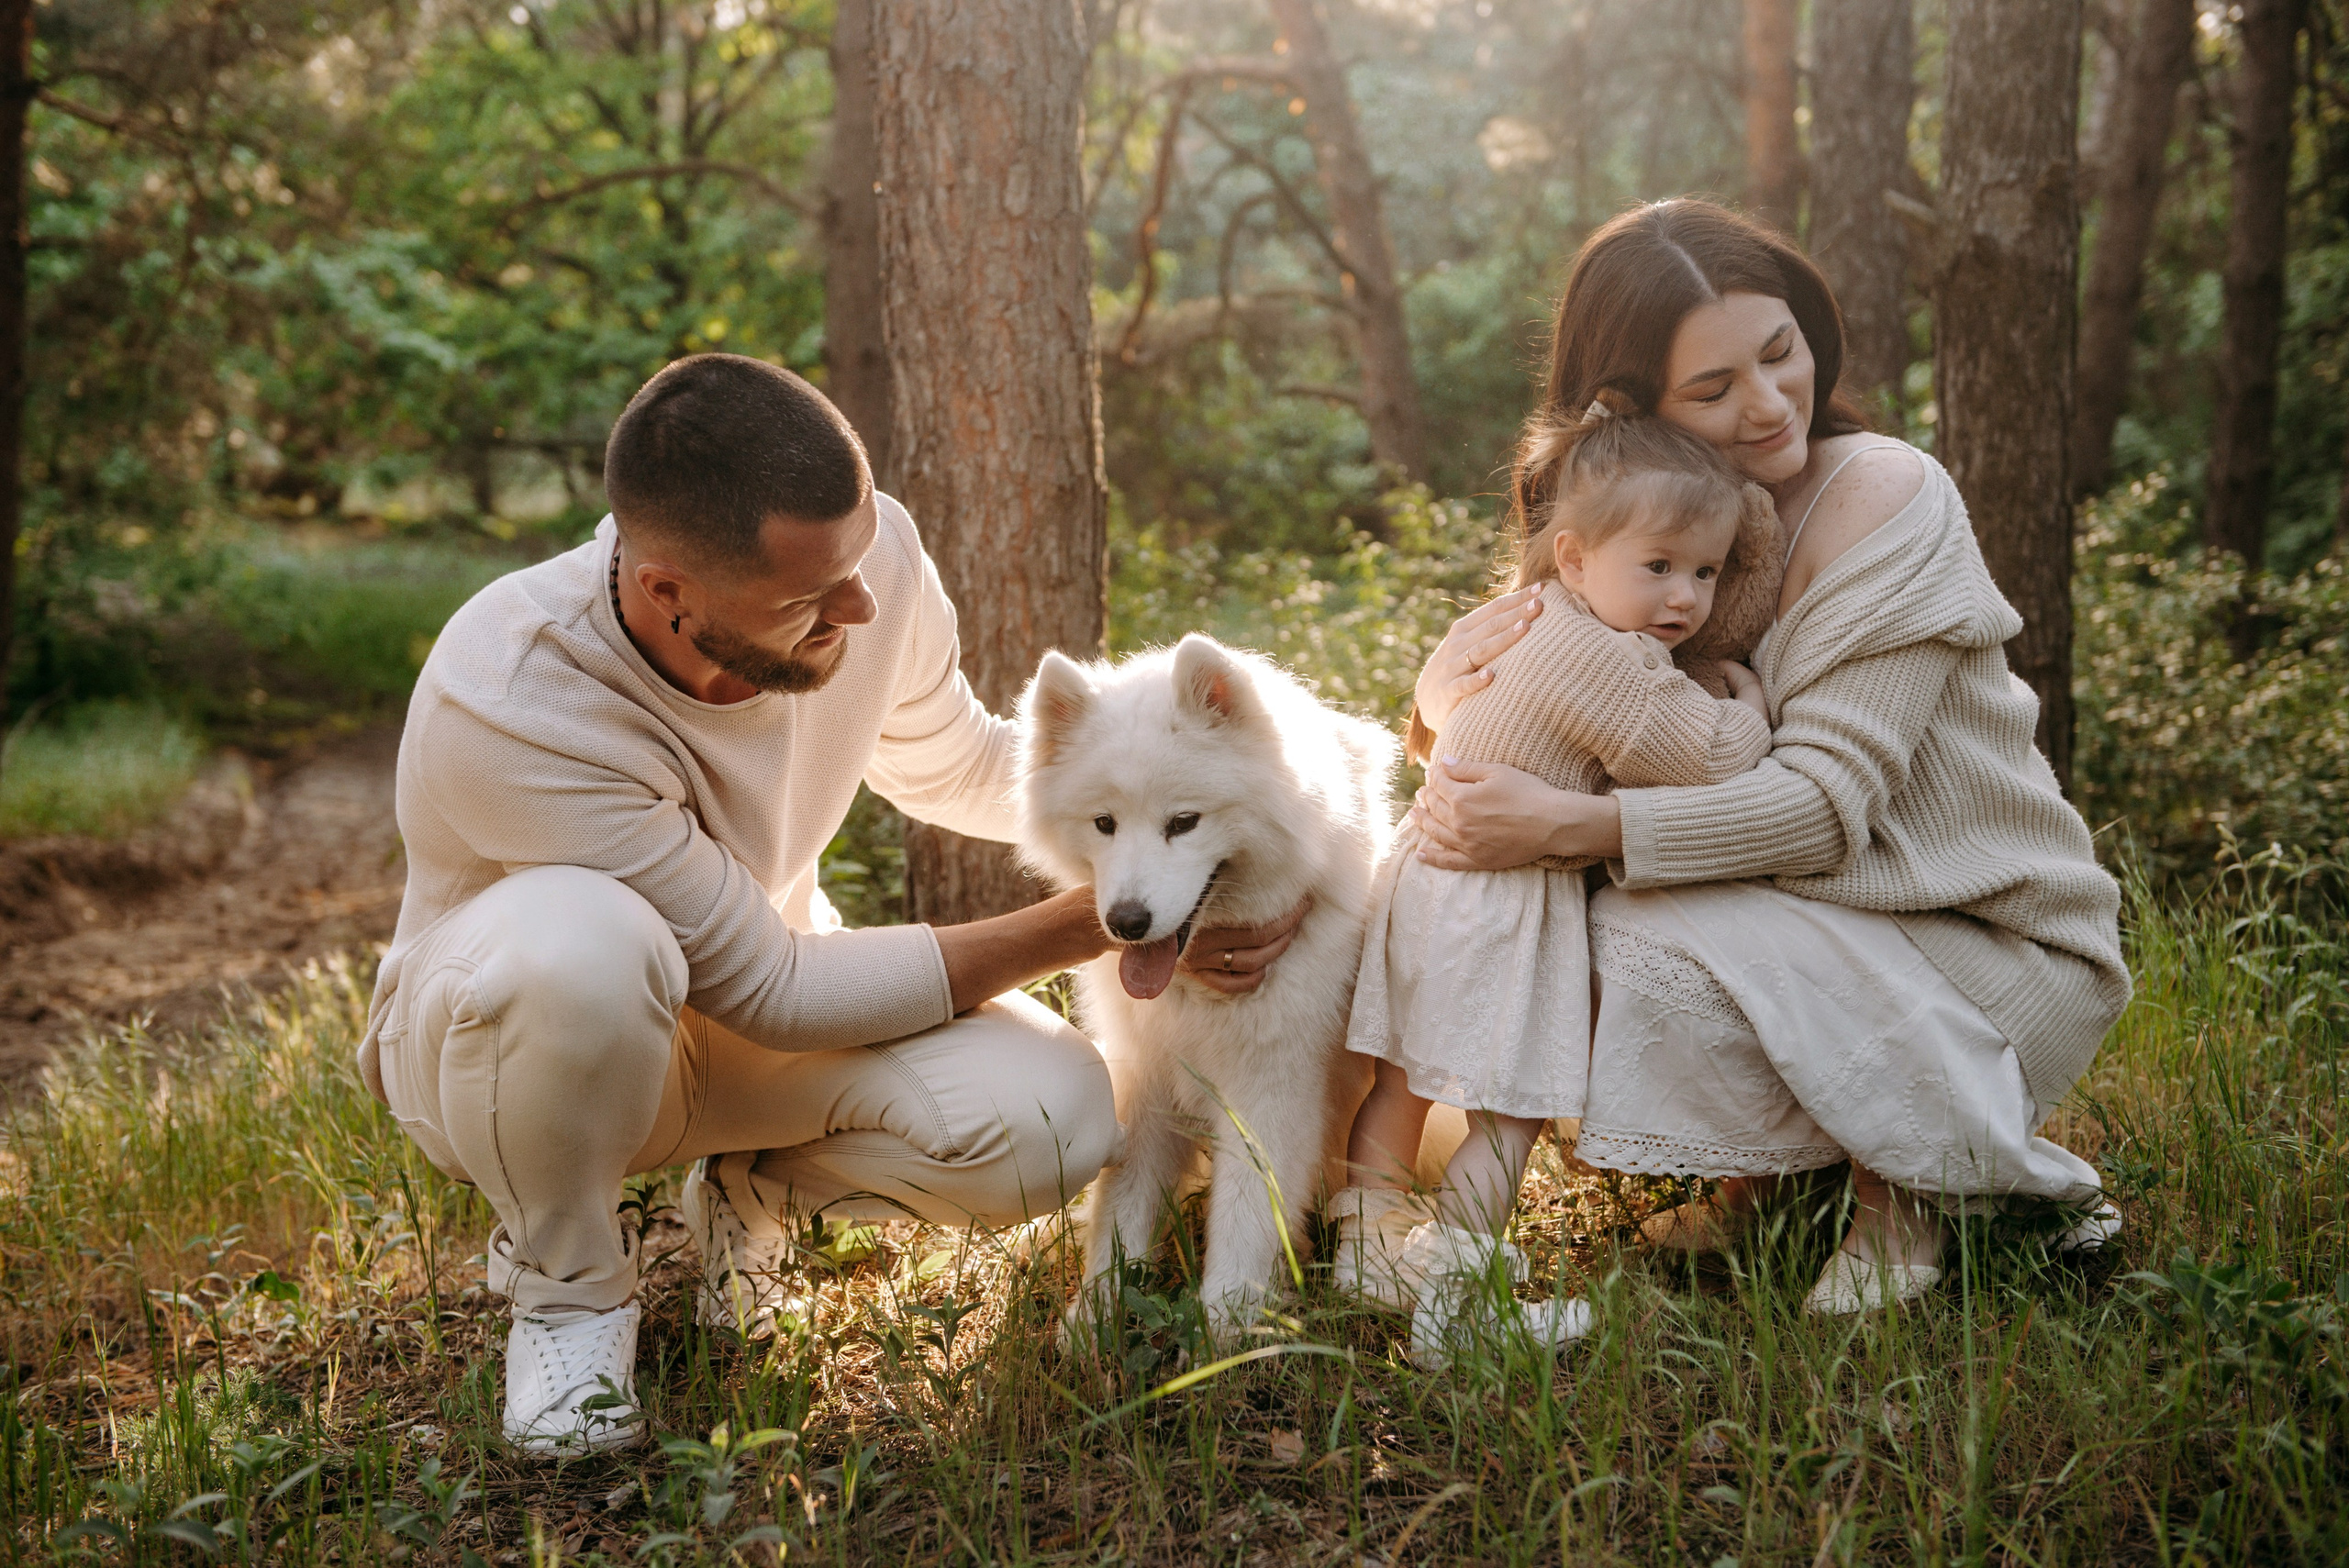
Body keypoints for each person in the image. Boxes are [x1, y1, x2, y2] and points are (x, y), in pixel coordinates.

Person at [360, 354, 1302, 1452]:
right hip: (509, 1046)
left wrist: (1180, 817)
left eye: (861, 561)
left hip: (745, 1024)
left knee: (1056, 1118)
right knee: (585, 944)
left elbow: (960, 763)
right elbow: (775, 985)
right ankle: (568, 1288)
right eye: (812, 596)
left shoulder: (869, 558)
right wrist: (1114, 918)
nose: (861, 606)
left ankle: (747, 1193)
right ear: (669, 590)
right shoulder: (518, 694)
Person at [1386, 199, 2131, 1317]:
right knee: (1530, 928)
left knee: (1622, 935)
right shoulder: (1656, 520)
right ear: (1632, 409)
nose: (1769, 401)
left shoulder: (1886, 492)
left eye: (1779, 353)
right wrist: (1436, 696)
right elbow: (1546, 708)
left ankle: (1921, 1188)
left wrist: (1572, 829)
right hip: (1802, 904)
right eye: (1713, 388)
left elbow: (1824, 809)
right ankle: (1780, 1172)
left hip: (1975, 929)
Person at [1330, 390, 1782, 1362]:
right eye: (1657, 566)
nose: (1685, 600)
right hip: (1500, 896)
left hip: (1423, 878)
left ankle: (1365, 1250)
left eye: (1705, 572)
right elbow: (1707, 755)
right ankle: (1460, 1300)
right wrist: (1743, 695)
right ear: (1574, 556)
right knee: (1513, 1101)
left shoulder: (1525, 614)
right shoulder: (1605, 661)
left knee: (1404, 1071)